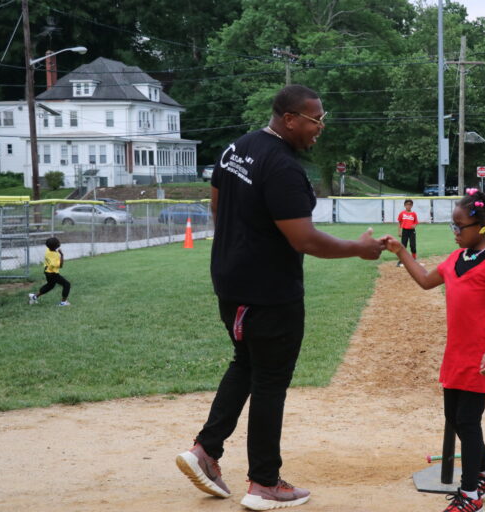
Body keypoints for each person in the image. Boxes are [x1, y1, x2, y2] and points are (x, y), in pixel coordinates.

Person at [176, 84, 384, 511]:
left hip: (231, 284)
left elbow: (217, 204)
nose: (320, 128)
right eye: (315, 119)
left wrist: (243, 242)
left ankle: (205, 451)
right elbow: (304, 238)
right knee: (270, 382)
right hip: (270, 293)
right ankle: (265, 482)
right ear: (290, 118)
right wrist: (358, 249)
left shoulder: (238, 147)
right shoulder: (283, 167)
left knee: (246, 364)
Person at [382, 188, 485, 512]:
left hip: (481, 356)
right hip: (455, 353)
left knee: (468, 422)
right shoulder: (456, 258)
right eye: (452, 226)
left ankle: (471, 495)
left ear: (483, 226)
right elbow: (427, 281)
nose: (455, 232)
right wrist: (402, 251)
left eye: (460, 227)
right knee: (454, 419)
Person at [28, 237, 71, 306]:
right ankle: (63, 302)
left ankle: (34, 297)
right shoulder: (54, 256)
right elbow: (61, 266)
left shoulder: (48, 250)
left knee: (50, 286)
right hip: (52, 274)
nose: (59, 242)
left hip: (47, 271)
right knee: (67, 284)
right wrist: (62, 255)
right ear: (56, 246)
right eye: (58, 242)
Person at [397, 198, 419, 267]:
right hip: (405, 231)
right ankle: (401, 260)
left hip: (412, 231)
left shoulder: (414, 214)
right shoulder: (402, 213)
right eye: (407, 204)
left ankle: (414, 259)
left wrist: (414, 225)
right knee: (403, 246)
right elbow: (399, 222)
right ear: (404, 205)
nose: (408, 206)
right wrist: (399, 231)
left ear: (412, 206)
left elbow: (416, 222)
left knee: (413, 245)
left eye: (410, 205)